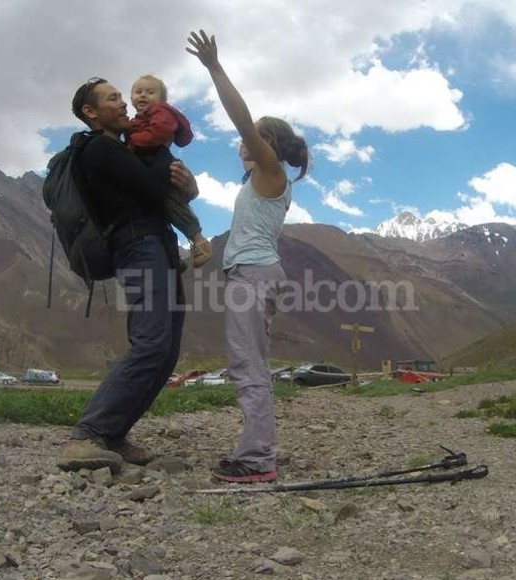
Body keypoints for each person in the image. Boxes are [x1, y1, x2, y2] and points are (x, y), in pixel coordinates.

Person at [57, 77, 198, 472]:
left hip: (157, 245)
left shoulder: (122, 149)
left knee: (166, 348)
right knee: (152, 342)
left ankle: (114, 434)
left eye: (123, 97)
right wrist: (181, 180)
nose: (124, 104)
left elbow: (160, 186)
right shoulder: (100, 148)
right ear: (90, 112)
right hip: (137, 247)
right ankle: (86, 435)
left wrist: (186, 183)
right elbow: (156, 188)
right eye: (113, 99)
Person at [187, 30, 310, 483]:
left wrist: (215, 68)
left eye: (257, 139)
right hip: (258, 273)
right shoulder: (260, 183)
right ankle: (257, 449)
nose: (245, 142)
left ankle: (257, 459)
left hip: (253, 277)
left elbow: (241, 121)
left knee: (246, 364)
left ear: (268, 145)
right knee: (250, 361)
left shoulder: (270, 171)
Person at [128, 74, 211, 268]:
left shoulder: (161, 112)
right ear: (131, 98)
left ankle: (198, 239)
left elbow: (160, 132)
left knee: (170, 199)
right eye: (138, 92)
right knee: (158, 205)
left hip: (157, 158)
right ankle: (173, 256)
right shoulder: (138, 119)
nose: (143, 95)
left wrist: (133, 142)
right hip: (150, 160)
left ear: (162, 100)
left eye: (150, 92)